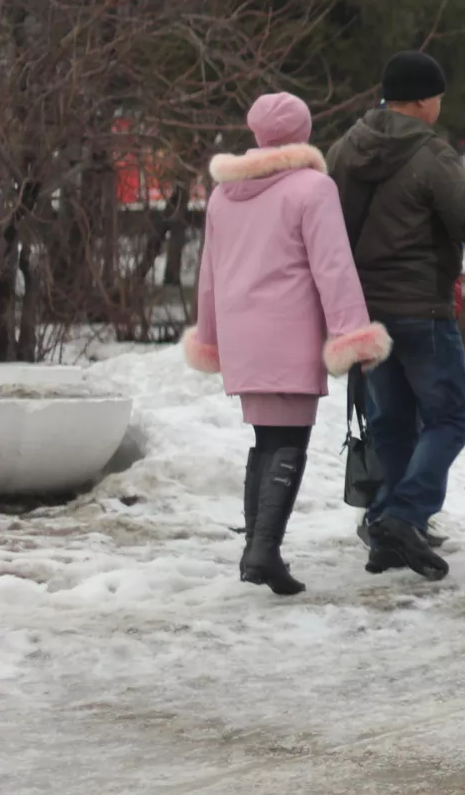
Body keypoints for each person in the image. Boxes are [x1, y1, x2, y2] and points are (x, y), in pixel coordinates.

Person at [182, 93, 391, 595]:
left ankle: (258, 547)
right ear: (302, 131)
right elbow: (333, 268)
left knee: (265, 440)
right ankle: (263, 551)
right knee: (288, 441)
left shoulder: (222, 195)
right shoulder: (311, 188)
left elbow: (207, 275)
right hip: (288, 331)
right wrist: (353, 336)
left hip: (240, 335)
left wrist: (209, 336)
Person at [327, 51, 465, 581]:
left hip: (366, 314)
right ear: (423, 99)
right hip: (421, 310)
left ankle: (385, 531)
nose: (439, 107)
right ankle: (403, 515)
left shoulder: (343, 149)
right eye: (438, 98)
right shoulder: (433, 154)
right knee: (450, 416)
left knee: (393, 422)